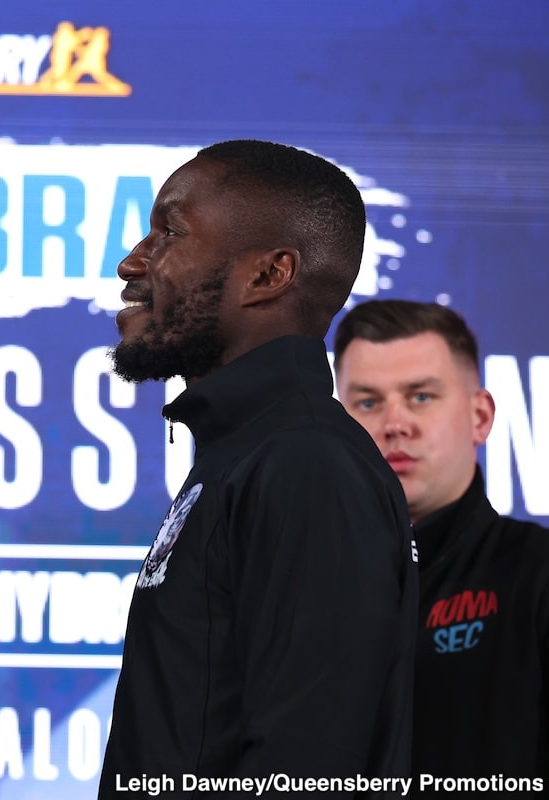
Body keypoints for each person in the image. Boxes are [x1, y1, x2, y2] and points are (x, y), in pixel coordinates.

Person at [99, 139, 417, 797]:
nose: (132, 261)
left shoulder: (307, 465)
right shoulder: (248, 454)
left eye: (169, 233)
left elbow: (306, 768)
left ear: (269, 275)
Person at [333, 299, 549, 792]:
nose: (395, 423)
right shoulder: (297, 592)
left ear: (480, 416)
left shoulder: (536, 573)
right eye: (367, 403)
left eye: (421, 396)